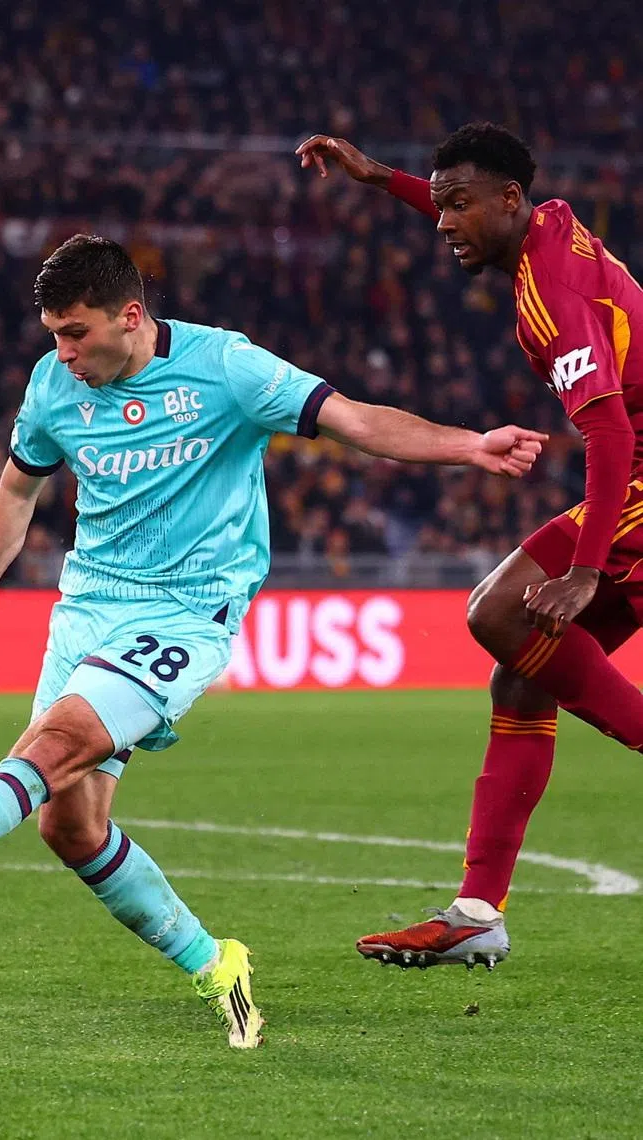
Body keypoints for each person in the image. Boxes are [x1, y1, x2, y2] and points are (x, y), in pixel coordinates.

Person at [0, 234, 545, 1046]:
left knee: (49, 750)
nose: (62, 353)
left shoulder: (226, 369)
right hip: (88, 608)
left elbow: (355, 422)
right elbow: (16, 492)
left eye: (76, 333)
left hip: (185, 614)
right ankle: (215, 961)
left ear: (131, 316)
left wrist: (469, 445)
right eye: (52, 334)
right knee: (71, 827)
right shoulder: (54, 385)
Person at [297, 123, 643, 969]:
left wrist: (587, 571)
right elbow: (467, 198)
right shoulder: (549, 223)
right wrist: (383, 179)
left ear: (508, 201)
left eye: (457, 205)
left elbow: (609, 433)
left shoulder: (549, 297)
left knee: (497, 612)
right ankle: (478, 911)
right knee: (521, 671)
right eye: (439, 203)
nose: (442, 221)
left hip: (636, 470)